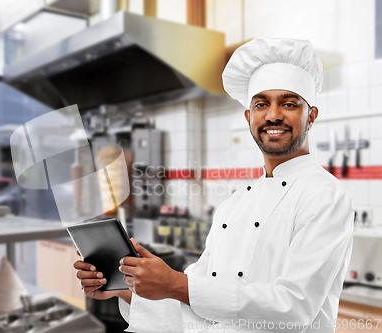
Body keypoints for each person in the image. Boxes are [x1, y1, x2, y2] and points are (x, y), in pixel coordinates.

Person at [73, 38, 353, 332]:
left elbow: (294, 308)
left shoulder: (325, 196)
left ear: (311, 116)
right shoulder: (234, 205)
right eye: (261, 104)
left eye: (289, 103)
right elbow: (199, 309)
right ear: (249, 117)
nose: (273, 115)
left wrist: (175, 283)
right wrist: (123, 289)